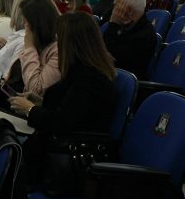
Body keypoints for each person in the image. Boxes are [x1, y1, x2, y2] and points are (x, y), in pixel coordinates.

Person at [9, 12, 116, 188]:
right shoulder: (81, 69)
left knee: (4, 144)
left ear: (71, 43)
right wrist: (39, 101)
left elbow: (62, 121)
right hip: (59, 143)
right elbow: (68, 106)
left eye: (59, 40)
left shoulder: (90, 78)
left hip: (68, 155)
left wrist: (30, 109)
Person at [103, 0, 157, 80]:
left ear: (128, 11)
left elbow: (107, 56)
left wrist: (113, 25)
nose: (113, 10)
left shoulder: (142, 36)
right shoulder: (128, 26)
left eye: (116, 6)